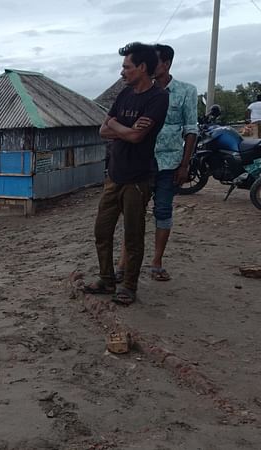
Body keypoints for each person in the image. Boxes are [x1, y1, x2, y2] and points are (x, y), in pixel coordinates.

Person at [85, 42, 169, 305]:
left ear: (142, 68)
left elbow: (136, 136)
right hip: (114, 176)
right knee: (102, 231)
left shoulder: (158, 97)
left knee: (133, 235)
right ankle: (107, 279)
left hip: (137, 180)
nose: (122, 73)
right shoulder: (124, 95)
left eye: (126, 67)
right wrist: (124, 128)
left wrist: (117, 126)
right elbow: (103, 131)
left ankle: (129, 286)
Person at [114, 44, 197, 283]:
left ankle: (156, 262)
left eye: (155, 62)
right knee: (132, 213)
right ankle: (123, 263)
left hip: (168, 161)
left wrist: (184, 164)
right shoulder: (138, 91)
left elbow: (190, 129)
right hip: (139, 161)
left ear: (166, 63)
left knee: (162, 210)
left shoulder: (184, 91)